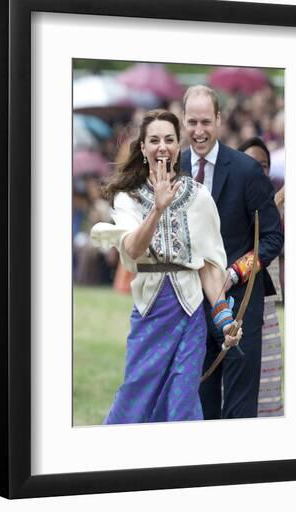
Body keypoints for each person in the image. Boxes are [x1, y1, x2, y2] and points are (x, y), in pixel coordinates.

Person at [91, 109, 242, 424]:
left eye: (169, 139)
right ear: (143, 148)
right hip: (150, 311)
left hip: (191, 314)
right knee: (136, 392)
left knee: (182, 400)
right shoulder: (127, 198)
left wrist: (225, 319)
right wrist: (157, 209)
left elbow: (209, 267)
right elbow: (132, 248)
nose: (163, 146)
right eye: (155, 140)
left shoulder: (199, 196)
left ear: (179, 145)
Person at [181, 86, 284, 419]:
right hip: (188, 306)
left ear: (219, 120)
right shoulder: (172, 169)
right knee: (198, 405)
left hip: (239, 302)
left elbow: (271, 238)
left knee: (239, 411)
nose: (199, 131)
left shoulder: (246, 170)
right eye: (192, 122)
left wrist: (235, 272)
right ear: (183, 121)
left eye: (206, 122)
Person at [238, 137, 284, 417]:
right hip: (234, 308)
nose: (257, 171)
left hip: (267, 314)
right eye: (250, 165)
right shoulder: (231, 206)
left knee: (267, 391)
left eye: (263, 166)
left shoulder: (273, 210)